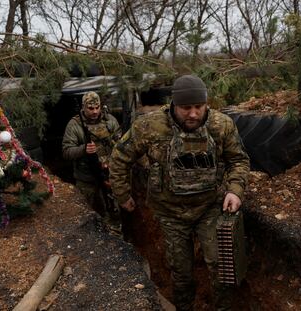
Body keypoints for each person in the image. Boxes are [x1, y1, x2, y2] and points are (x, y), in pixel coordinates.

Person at [109, 75, 250, 311]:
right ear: (174, 104)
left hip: (209, 208)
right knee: (180, 270)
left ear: (207, 103)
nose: (193, 114)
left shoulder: (222, 125)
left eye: (199, 107)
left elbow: (239, 160)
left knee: (220, 265)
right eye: (186, 108)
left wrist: (235, 190)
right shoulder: (149, 126)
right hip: (170, 213)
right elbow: (119, 158)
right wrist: (123, 195)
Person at [62, 91, 121, 221]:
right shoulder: (74, 125)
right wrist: (83, 149)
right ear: (83, 107)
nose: (95, 111)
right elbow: (66, 152)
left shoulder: (110, 121)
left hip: (110, 175)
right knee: (89, 215)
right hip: (87, 180)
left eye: (97, 107)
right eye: (90, 108)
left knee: (116, 211)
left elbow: (120, 145)